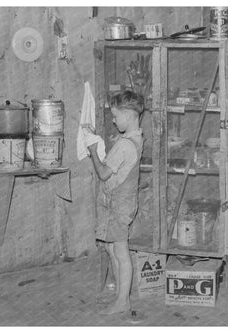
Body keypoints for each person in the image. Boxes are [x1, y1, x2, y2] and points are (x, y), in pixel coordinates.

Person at [84, 90, 144, 315]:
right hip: (122, 202)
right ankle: (120, 294)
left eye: (116, 116)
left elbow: (103, 173)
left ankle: (123, 302)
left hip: (119, 204)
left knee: (120, 250)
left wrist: (92, 151)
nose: (113, 119)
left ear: (129, 116)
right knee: (111, 247)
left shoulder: (125, 145)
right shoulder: (134, 138)